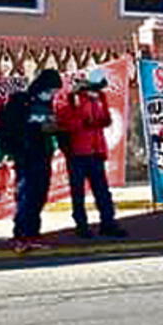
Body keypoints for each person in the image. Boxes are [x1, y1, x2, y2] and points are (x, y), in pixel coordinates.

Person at [56, 68, 127, 239]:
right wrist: (84, 121)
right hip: (77, 151)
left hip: (96, 149)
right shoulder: (71, 98)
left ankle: (108, 223)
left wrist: (102, 120)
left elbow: (105, 117)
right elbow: (64, 121)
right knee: (78, 191)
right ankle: (81, 225)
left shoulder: (99, 96)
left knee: (102, 190)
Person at [3, 68, 62, 250]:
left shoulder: (48, 104)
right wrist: (13, 150)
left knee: (40, 193)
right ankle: (22, 231)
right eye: (50, 90)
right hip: (26, 154)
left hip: (43, 153)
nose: (51, 94)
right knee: (25, 194)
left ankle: (33, 231)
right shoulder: (22, 102)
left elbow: (52, 126)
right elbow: (10, 127)